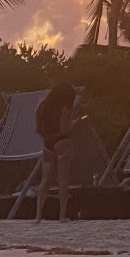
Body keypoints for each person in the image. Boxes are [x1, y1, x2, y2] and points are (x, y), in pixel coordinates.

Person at [33, 82, 88, 222]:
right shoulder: (63, 108)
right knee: (63, 180)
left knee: (45, 181)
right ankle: (62, 215)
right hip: (62, 142)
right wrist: (74, 124)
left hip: (47, 143)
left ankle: (38, 216)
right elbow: (65, 129)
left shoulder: (41, 106)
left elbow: (38, 129)